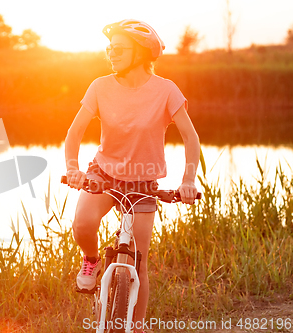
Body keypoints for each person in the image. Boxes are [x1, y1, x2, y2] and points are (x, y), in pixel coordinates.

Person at [64, 19, 200, 331]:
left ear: (140, 52)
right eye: (109, 48)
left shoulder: (166, 90)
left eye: (119, 48)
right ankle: (92, 260)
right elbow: (74, 134)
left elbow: (191, 139)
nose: (111, 53)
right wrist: (74, 169)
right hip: (104, 174)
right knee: (83, 223)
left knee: (139, 259)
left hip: (143, 182)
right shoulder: (100, 86)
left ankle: (137, 326)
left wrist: (188, 180)